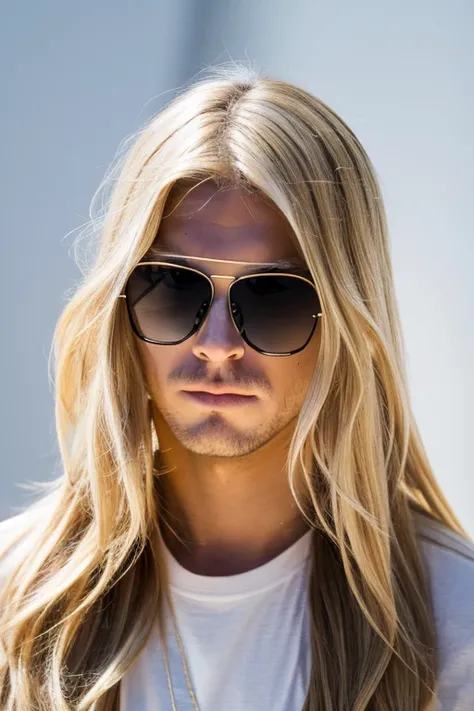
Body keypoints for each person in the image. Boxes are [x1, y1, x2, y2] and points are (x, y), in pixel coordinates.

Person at [0, 64, 473, 711]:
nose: (218, 344)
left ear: (347, 321)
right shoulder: (18, 606)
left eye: (274, 295)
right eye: (173, 288)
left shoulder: (453, 627)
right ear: (118, 308)